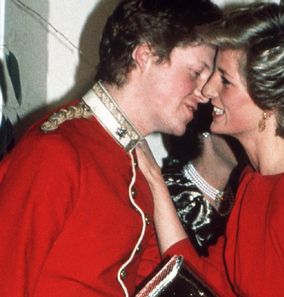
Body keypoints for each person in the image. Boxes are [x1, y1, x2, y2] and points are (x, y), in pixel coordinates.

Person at [136, 1, 284, 296]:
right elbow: (208, 283)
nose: (208, 91)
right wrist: (156, 184)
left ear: (270, 100)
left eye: (225, 81)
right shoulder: (253, 182)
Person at [0, 0, 221, 296]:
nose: (205, 93)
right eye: (196, 72)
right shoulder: (56, 151)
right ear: (145, 56)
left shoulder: (136, 167)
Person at [162, 102, 246, 256]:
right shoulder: (165, 196)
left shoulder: (247, 195)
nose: (250, 138)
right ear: (206, 131)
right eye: (239, 129)